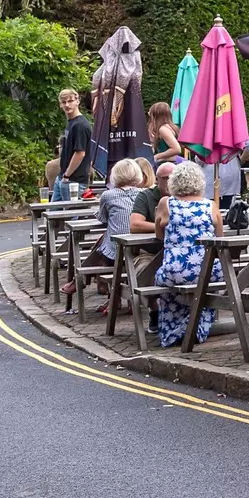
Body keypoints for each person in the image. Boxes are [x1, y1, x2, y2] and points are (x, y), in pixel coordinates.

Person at [152, 161, 223, 348]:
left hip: (177, 271)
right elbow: (220, 238)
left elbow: (159, 236)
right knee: (206, 285)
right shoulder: (211, 206)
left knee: (162, 280)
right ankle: (197, 326)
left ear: (173, 182)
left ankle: (174, 330)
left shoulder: (166, 203)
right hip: (209, 272)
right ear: (200, 182)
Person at [84, 159, 145, 316]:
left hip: (116, 254)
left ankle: (110, 295)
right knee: (109, 241)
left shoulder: (108, 195)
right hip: (140, 249)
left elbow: (103, 218)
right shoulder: (144, 194)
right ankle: (117, 298)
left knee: (106, 246)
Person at [51, 89, 94, 201]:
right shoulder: (71, 122)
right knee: (53, 214)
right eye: (64, 102)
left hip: (74, 180)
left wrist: (67, 175)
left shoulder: (80, 125)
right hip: (63, 177)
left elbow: (80, 153)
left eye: (70, 101)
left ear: (77, 101)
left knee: (70, 216)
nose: (67, 105)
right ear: (60, 104)